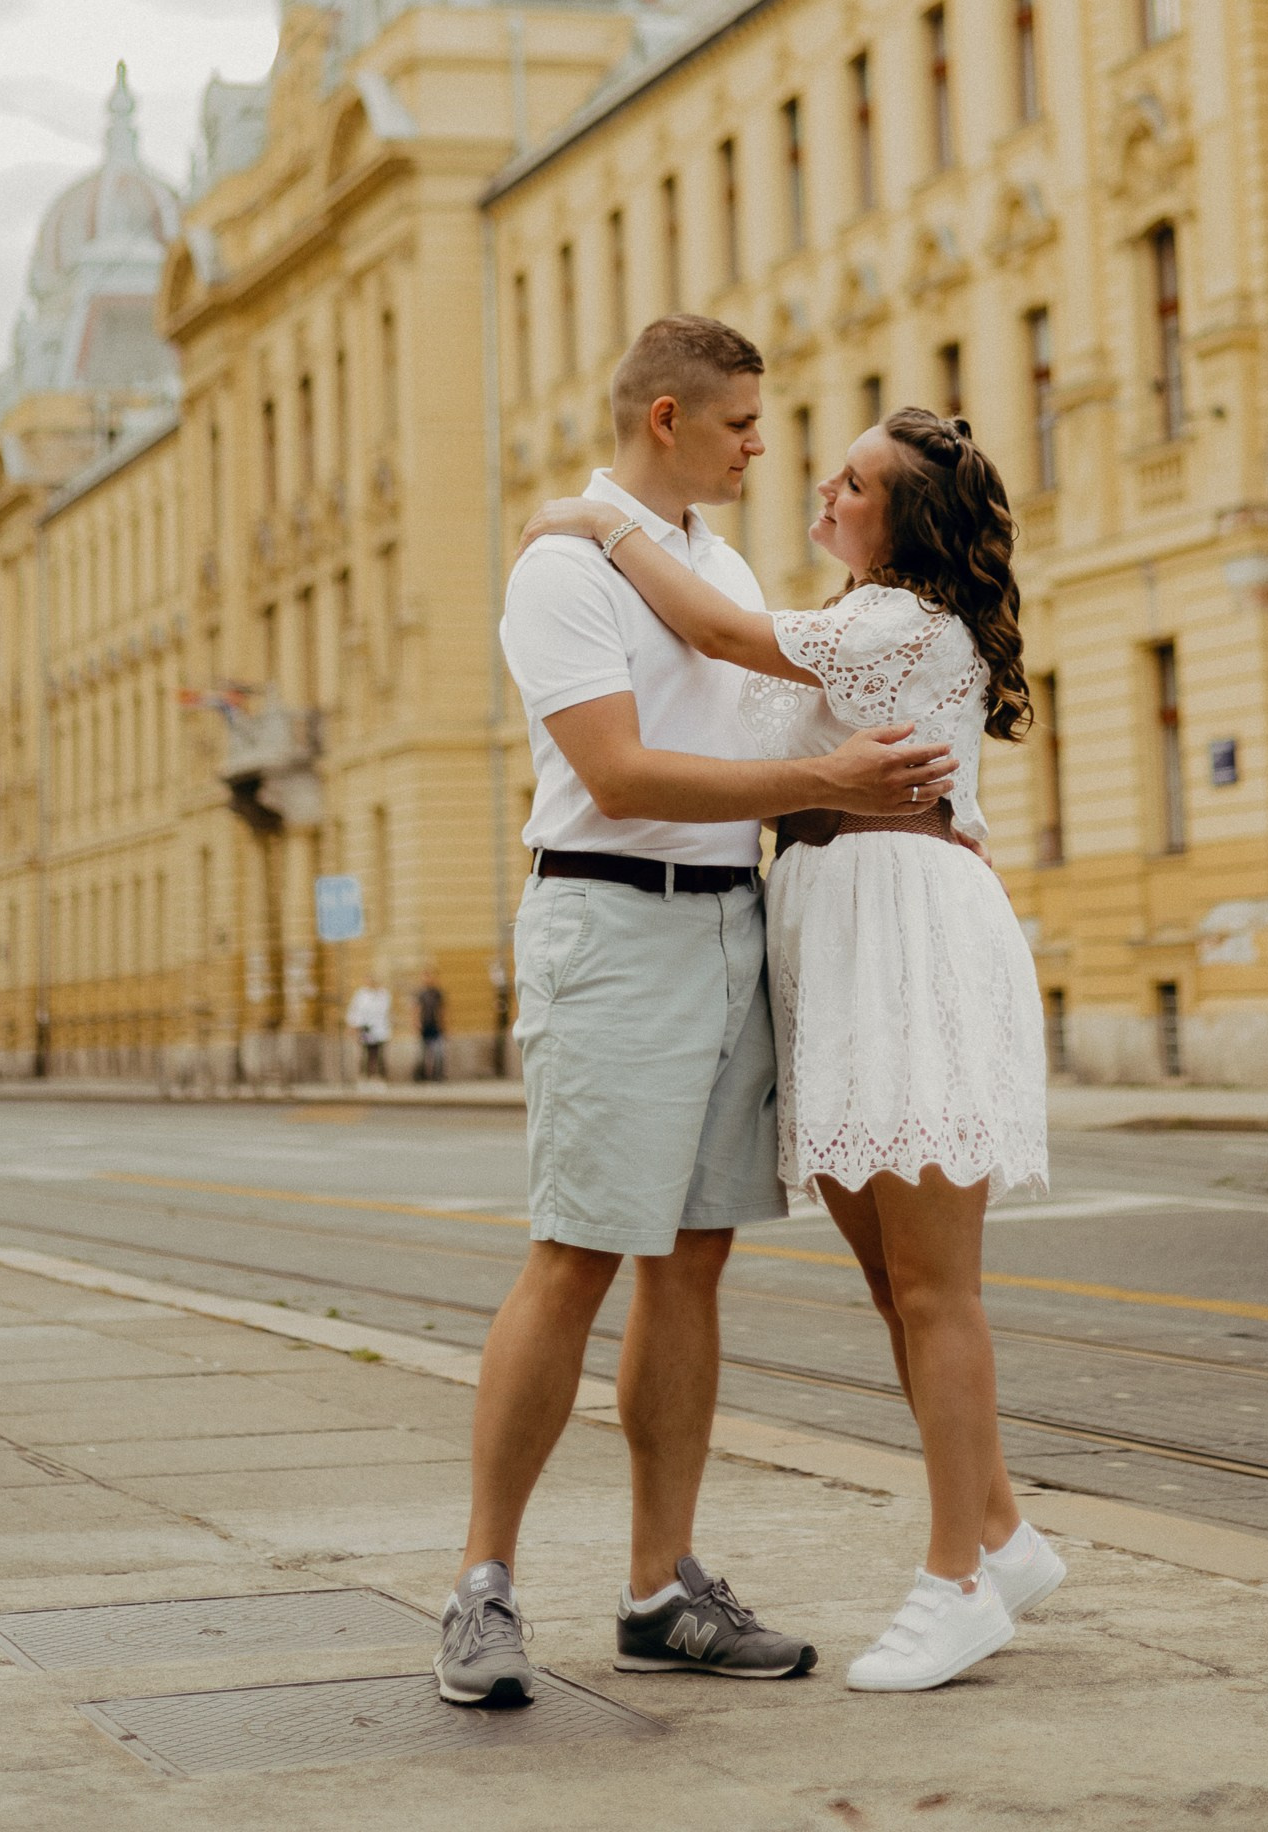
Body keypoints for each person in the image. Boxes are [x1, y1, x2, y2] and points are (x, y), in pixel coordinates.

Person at [437, 317, 959, 1710]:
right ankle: (482, 1587)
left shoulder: (714, 565)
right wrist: (827, 787)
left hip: (731, 928)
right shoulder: (561, 564)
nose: (761, 445)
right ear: (665, 419)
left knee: (694, 1263)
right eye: (739, 424)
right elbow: (617, 771)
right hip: (610, 920)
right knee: (577, 1255)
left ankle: (660, 1588)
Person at [522, 404, 1060, 1696]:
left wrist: (603, 520)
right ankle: (1000, 1533)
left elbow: (713, 634)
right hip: (833, 933)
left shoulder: (893, 622)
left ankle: (955, 1587)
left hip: (902, 931)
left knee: (935, 1289)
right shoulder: (854, 620)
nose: (824, 481)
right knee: (895, 1283)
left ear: (906, 524)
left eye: (857, 480)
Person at [344, 977, 391, 1080]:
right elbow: (355, 1010)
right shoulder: (361, 995)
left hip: (379, 1029)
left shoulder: (383, 995)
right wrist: (353, 1026)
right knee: (365, 1053)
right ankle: (364, 1076)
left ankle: (378, 1076)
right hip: (365, 1029)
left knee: (378, 1053)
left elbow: (385, 1013)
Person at [414, 966, 447, 1084]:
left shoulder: (437, 993)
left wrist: (443, 1024)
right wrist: (417, 1023)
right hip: (425, 1025)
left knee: (439, 1052)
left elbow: (441, 1010)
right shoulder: (421, 993)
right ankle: (423, 1076)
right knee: (423, 1053)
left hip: (436, 1026)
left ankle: (437, 1075)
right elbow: (417, 1009)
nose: (427, 979)